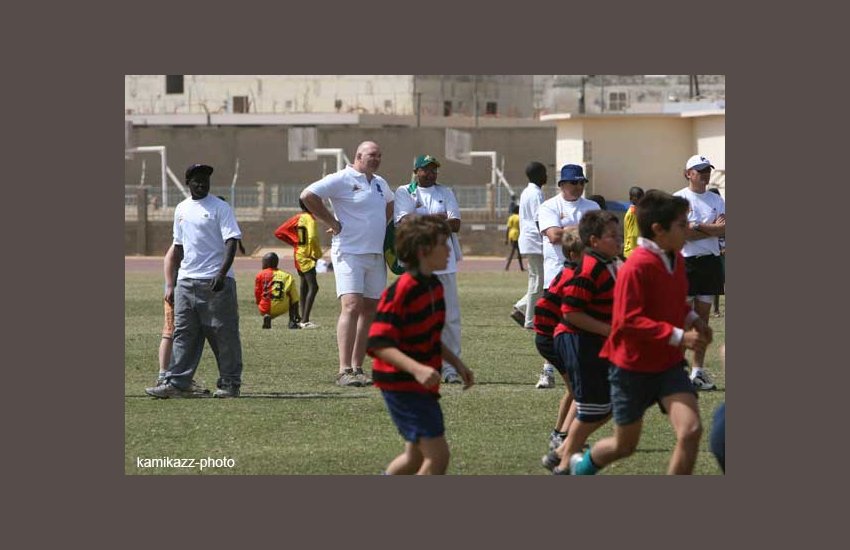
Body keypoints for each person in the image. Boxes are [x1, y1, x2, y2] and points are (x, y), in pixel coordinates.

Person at [568, 190, 711, 475]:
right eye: (682, 224)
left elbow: (674, 301)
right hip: (631, 369)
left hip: (668, 365)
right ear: (659, 229)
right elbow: (628, 321)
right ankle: (578, 468)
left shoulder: (677, 259)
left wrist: (694, 319)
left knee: (691, 430)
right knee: (624, 446)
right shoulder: (635, 266)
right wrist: (680, 337)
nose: (689, 229)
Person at [366, 215, 474, 475]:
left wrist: (457, 363)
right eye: (443, 244)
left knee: (413, 458)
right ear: (424, 251)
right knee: (438, 457)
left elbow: (430, 335)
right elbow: (378, 343)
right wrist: (417, 369)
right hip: (401, 384)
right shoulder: (402, 290)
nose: (449, 250)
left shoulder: (434, 286)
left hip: (420, 383)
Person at [145, 163, 244, 399]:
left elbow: (232, 241)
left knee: (223, 334)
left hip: (215, 282)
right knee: (183, 333)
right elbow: (178, 247)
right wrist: (173, 282)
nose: (202, 183)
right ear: (188, 183)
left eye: (205, 179)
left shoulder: (220, 207)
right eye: (197, 180)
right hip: (186, 281)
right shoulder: (181, 209)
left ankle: (230, 383)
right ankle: (177, 382)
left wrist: (221, 274)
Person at [300, 141, 394, 387]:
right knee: (351, 305)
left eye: (379, 155)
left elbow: (390, 203)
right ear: (358, 156)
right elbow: (308, 196)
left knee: (370, 309)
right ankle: (344, 370)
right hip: (350, 252)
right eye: (372, 155)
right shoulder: (341, 178)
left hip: (375, 255)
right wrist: (331, 221)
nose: (376, 159)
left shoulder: (380, 183)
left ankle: (358, 367)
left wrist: (379, 227)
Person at [544, 210, 622, 474]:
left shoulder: (613, 262)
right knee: (592, 408)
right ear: (594, 241)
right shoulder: (590, 269)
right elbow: (570, 312)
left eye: (619, 235)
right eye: (612, 236)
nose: (619, 240)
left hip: (594, 341)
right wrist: (609, 330)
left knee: (609, 403)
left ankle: (561, 453)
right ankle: (564, 463)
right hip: (578, 341)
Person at [394, 154, 465, 384]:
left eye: (434, 169)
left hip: (445, 263)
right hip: (417, 264)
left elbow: (455, 224)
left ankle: (450, 368)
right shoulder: (405, 192)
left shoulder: (445, 191)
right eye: (426, 169)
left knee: (450, 317)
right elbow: (404, 222)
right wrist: (437, 219)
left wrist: (421, 219)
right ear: (416, 171)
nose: (432, 173)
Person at [535, 163, 600, 387]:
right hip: (557, 272)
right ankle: (548, 369)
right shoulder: (548, 206)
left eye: (582, 182)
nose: (579, 186)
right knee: (552, 323)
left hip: (586, 273)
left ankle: (579, 365)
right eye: (574, 182)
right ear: (562, 184)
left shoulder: (591, 206)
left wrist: (569, 231)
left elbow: (598, 236)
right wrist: (582, 231)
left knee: (581, 319)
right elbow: (554, 236)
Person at [674, 155, 726, 390]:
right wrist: (712, 228)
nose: (705, 174)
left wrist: (698, 226)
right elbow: (683, 233)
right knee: (682, 319)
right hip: (685, 263)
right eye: (700, 170)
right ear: (688, 173)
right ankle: (677, 371)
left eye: (707, 170)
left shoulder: (717, 199)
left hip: (710, 263)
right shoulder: (679, 199)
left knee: (703, 319)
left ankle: (698, 372)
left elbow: (725, 229)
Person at [532, 228, 583, 452]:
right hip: (550, 338)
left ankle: (560, 434)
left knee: (575, 389)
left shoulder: (570, 271)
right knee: (579, 389)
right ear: (573, 255)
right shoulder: (572, 277)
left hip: (550, 336)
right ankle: (562, 436)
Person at [154, 243, 210, 395]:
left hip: (188, 288)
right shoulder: (183, 239)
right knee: (171, 332)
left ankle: (179, 377)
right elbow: (169, 258)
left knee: (184, 334)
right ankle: (164, 375)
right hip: (178, 291)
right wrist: (170, 285)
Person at [274, 199, 323, 328]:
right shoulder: (310, 219)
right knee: (313, 287)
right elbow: (312, 238)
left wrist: (295, 242)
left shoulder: (298, 217)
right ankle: (305, 320)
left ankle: (302, 318)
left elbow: (279, 231)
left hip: (299, 253)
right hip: (307, 256)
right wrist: (317, 254)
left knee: (304, 285)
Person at [511, 161, 548, 329]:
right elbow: (540, 218)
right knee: (539, 281)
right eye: (544, 173)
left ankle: (521, 308)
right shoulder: (536, 194)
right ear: (539, 175)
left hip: (529, 240)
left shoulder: (527, 192)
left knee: (537, 280)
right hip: (535, 240)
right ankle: (530, 320)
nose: (547, 176)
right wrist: (547, 236)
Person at [254, 252, 301, 330]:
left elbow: (257, 292)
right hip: (281, 307)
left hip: (264, 308)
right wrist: (297, 313)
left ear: (267, 263)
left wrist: (259, 304)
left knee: (264, 297)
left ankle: (267, 315)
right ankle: (292, 321)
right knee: (292, 295)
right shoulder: (287, 276)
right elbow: (295, 298)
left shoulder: (260, 275)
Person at [708, 187, 725, 317]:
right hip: (714, 252)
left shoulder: (723, 213)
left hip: (723, 251)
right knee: (716, 281)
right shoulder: (708, 216)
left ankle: (716, 309)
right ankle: (716, 309)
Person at [622, 186, 644, 259]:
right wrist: (636, 253)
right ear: (631, 199)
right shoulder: (633, 213)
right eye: (638, 197)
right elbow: (633, 235)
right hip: (632, 252)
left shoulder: (636, 211)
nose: (640, 200)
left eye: (642, 197)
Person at [504, 205, 523, 271]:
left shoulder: (511, 217)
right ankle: (508, 267)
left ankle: (508, 266)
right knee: (516, 252)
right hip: (517, 234)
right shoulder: (519, 217)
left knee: (515, 251)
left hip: (511, 235)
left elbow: (508, 228)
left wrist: (506, 238)